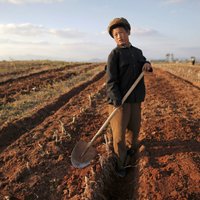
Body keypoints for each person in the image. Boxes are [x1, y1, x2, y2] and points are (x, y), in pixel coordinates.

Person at [106, 17, 153, 177]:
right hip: (119, 102)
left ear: (128, 32)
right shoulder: (114, 55)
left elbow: (144, 63)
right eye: (115, 35)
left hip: (135, 100)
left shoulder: (137, 52)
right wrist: (117, 99)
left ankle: (132, 154)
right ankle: (120, 165)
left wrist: (147, 64)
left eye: (121, 33)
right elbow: (111, 81)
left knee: (134, 129)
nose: (119, 36)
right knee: (119, 136)